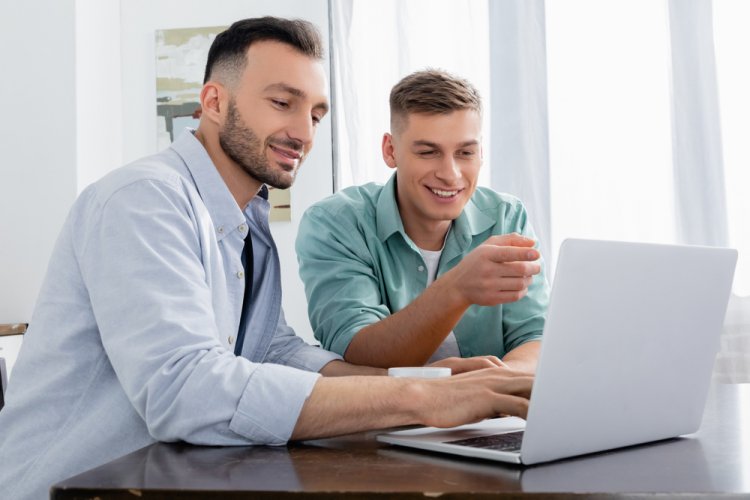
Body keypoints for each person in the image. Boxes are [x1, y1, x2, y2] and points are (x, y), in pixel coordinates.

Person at [0, 18, 534, 500]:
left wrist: (435, 381)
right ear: (213, 102)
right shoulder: (144, 199)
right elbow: (186, 389)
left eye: (316, 113)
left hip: (169, 480)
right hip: (71, 485)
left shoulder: (246, 220)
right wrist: (420, 397)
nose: (303, 132)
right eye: (282, 102)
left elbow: (273, 349)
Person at [296, 70, 550, 370]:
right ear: (391, 151)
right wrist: (457, 288)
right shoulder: (335, 223)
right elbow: (357, 349)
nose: (450, 174)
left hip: (495, 414)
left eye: (465, 152)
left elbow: (536, 336)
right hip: (388, 416)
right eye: (429, 152)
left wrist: (497, 383)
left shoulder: (506, 216)